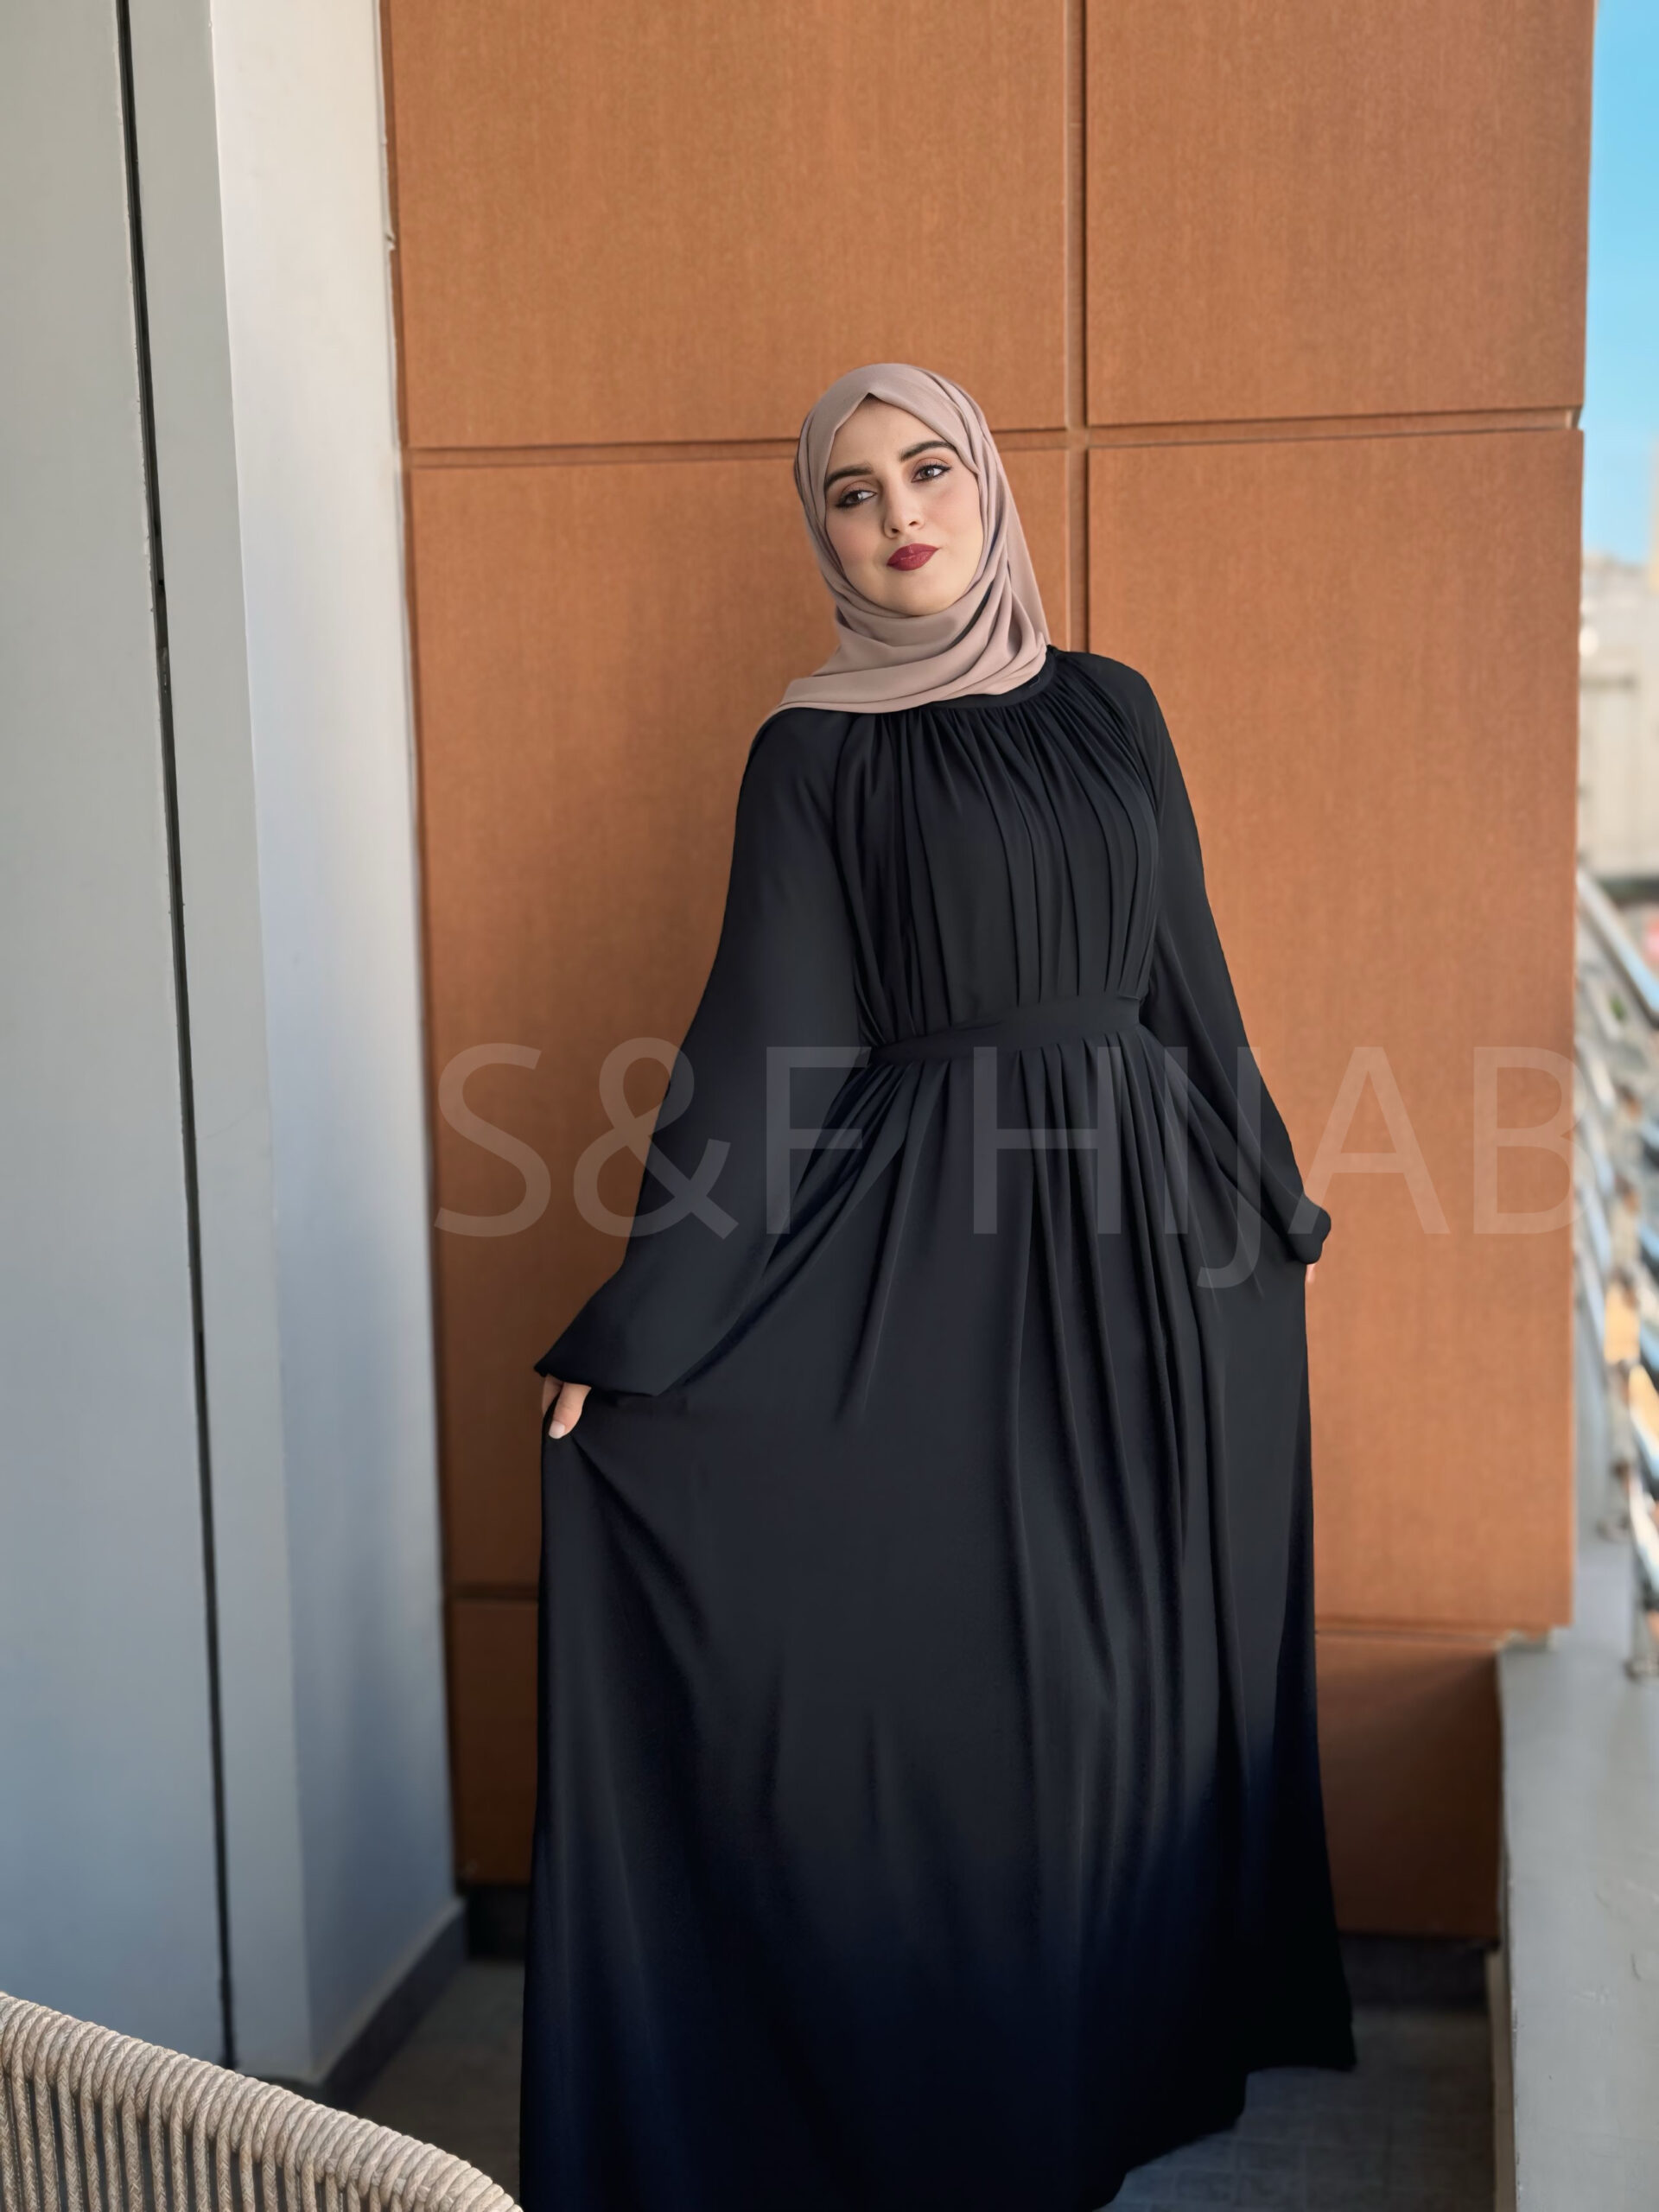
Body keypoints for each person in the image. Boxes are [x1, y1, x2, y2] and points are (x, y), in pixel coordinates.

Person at [519, 363, 1355, 2212]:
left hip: (1152, 1245)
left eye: (926, 469)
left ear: (987, 484)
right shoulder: (814, 753)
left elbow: (1188, 978)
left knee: (1130, 1691)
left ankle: (1113, 2078)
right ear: (819, 531)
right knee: (993, 1700)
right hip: (936, 1251)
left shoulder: (1112, 706)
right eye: (850, 490)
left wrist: (1275, 1199)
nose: (898, 513)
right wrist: (643, 1325)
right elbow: (764, 1051)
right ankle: (984, 2121)